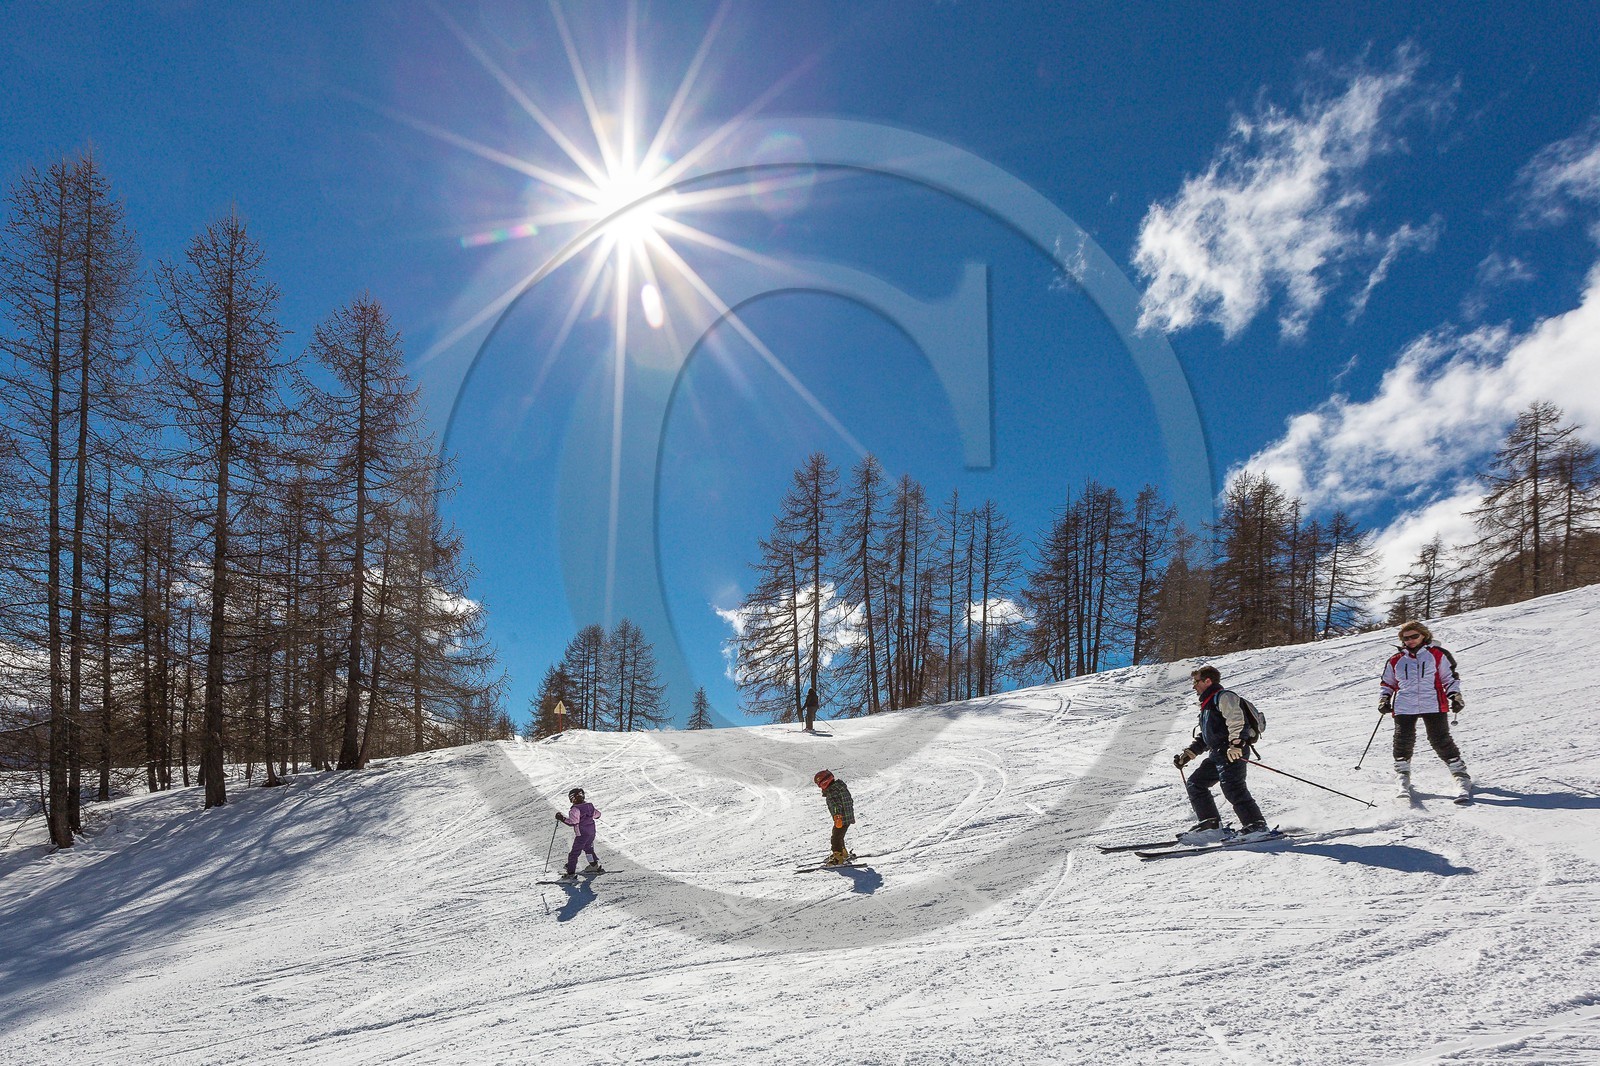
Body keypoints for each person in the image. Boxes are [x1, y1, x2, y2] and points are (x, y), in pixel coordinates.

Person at [1173, 666, 1269, 837]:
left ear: (1207, 681)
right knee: (1195, 783)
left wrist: (1237, 744)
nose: (1194, 686)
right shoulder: (1208, 705)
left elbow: (1237, 721)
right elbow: (1208, 736)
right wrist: (1188, 754)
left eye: (1196, 681)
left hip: (1232, 751)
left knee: (1233, 787)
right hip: (1217, 754)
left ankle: (1256, 826)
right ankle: (1210, 824)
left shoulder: (1224, 697)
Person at [1380, 621, 1472, 799]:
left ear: (1424, 635)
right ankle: (1402, 775)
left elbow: (1450, 678)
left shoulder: (1438, 655)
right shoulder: (1395, 660)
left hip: (1433, 703)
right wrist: (1384, 698)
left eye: (1414, 636)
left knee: (1440, 740)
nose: (1411, 640)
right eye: (1406, 638)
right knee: (1402, 740)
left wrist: (1455, 696)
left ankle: (1461, 775)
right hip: (1404, 705)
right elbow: (1387, 683)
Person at [555, 787, 603, 879]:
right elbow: (598, 815)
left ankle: (570, 873)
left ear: (573, 798)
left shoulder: (575, 809)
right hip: (591, 832)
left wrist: (562, 818)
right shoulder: (589, 806)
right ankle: (593, 865)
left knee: (574, 853)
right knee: (588, 848)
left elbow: (573, 822)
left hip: (582, 834)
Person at [813, 769, 854, 865]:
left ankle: (838, 857)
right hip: (847, 816)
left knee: (835, 838)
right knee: (839, 836)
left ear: (824, 783)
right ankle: (843, 853)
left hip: (841, 818)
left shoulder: (832, 791)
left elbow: (836, 805)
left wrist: (837, 816)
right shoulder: (839, 787)